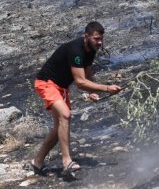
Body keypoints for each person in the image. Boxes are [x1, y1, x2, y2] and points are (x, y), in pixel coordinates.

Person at [31, 21, 122, 176]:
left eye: (101, 39)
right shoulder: (76, 50)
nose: (99, 42)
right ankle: (67, 162)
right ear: (86, 36)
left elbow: (87, 73)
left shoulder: (91, 50)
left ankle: (37, 162)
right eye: (96, 39)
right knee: (65, 115)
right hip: (47, 83)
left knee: (59, 125)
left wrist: (92, 91)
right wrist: (107, 88)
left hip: (62, 87)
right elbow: (80, 82)